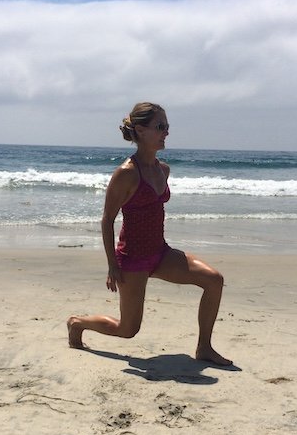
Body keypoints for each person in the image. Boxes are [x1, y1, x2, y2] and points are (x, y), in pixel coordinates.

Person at [67, 102, 232, 366]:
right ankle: (77, 323)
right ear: (141, 131)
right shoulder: (126, 174)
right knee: (128, 330)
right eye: (160, 127)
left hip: (161, 253)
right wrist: (112, 265)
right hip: (132, 260)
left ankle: (204, 348)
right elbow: (107, 219)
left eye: (167, 126)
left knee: (214, 280)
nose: (166, 132)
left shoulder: (163, 169)